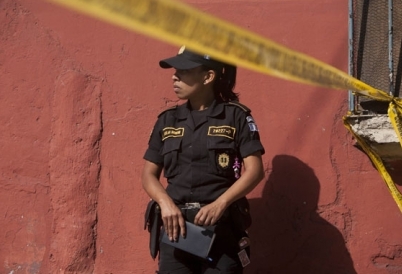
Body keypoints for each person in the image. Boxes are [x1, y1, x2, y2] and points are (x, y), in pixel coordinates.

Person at [142, 45, 265, 274]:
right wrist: (165, 203)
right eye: (174, 70)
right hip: (176, 231)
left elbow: (255, 170)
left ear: (208, 76)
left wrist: (221, 203)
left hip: (220, 233)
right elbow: (148, 175)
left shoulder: (236, 116)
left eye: (184, 71)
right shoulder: (167, 120)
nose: (174, 76)